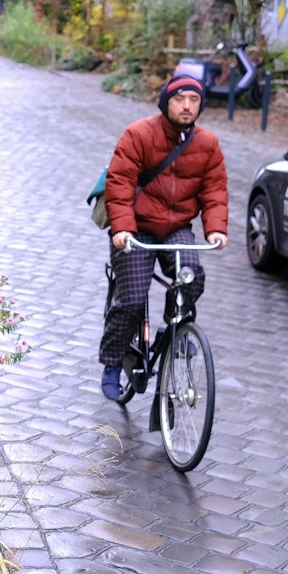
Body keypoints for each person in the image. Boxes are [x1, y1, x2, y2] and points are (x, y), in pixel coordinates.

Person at [99, 74, 228, 401]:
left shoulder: (208, 144)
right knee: (130, 298)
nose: (187, 106)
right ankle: (113, 363)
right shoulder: (139, 134)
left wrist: (215, 228)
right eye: (179, 99)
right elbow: (119, 183)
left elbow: (214, 190)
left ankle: (176, 325)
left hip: (176, 228)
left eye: (194, 100)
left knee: (192, 276)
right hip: (137, 227)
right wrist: (123, 228)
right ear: (166, 102)